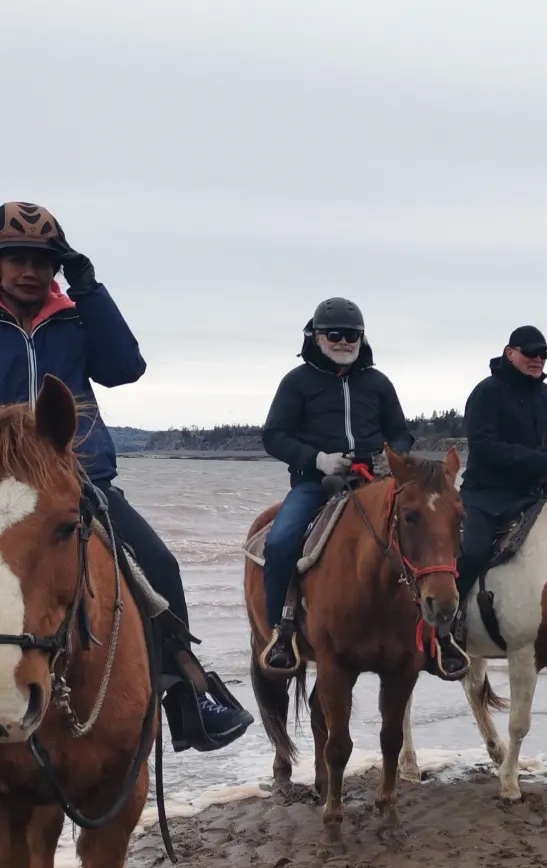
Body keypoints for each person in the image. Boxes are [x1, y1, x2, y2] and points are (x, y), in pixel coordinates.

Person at [0, 201, 252, 751]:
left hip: (80, 480)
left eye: (44, 261)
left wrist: (89, 289)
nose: (30, 271)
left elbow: (126, 367)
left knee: (157, 563)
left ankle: (187, 695)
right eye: (16, 258)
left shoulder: (73, 316)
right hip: (4, 489)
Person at [260, 299, 465, 677]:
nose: (343, 342)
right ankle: (282, 630)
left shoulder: (378, 383)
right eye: (334, 335)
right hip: (316, 484)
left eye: (351, 335)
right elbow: (273, 436)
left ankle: (442, 637)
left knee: (432, 536)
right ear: (316, 337)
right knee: (281, 541)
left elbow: (400, 432)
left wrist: (391, 457)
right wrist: (316, 458)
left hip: (376, 481)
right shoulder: (297, 382)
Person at [457, 325, 547, 618]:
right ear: (510, 353)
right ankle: (447, 624)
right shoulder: (486, 393)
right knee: (472, 554)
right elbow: (485, 448)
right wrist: (540, 460)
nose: (538, 359)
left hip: (534, 496)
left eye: (544, 354)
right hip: (485, 497)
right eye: (531, 353)